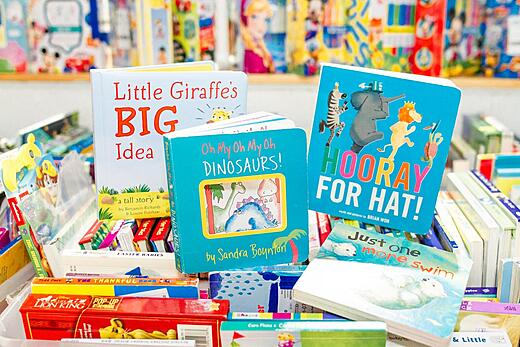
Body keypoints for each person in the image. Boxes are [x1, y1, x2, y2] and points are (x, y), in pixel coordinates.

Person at [240, 0, 274, 73]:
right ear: (246, 19)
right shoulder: (250, 53)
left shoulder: (262, 49)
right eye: (254, 17)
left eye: (266, 19)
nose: (261, 24)